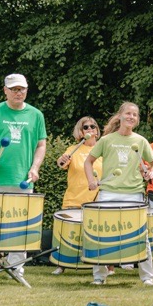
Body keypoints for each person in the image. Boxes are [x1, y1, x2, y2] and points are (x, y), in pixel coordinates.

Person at [0, 74, 47, 280]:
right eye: (14, 89)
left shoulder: (36, 114)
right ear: (5, 90)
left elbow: (41, 145)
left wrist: (35, 168)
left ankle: (16, 269)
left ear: (27, 90)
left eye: (21, 89)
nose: (18, 92)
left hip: (22, 180)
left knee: (21, 227)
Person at [84, 102, 153, 286]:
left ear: (137, 119)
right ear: (120, 116)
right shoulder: (106, 140)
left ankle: (147, 277)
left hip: (134, 194)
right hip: (108, 193)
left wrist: (151, 173)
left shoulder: (140, 141)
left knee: (141, 236)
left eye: (135, 114)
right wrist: (91, 180)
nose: (131, 117)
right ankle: (99, 276)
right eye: (128, 113)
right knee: (101, 235)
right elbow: (88, 161)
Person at [52, 116, 103, 275]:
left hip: (96, 200)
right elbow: (61, 164)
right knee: (68, 233)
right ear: (80, 132)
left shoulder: (103, 149)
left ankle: (106, 266)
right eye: (85, 127)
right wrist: (62, 159)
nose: (90, 129)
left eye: (93, 126)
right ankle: (61, 264)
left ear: (97, 131)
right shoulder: (73, 149)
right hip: (74, 198)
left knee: (98, 234)